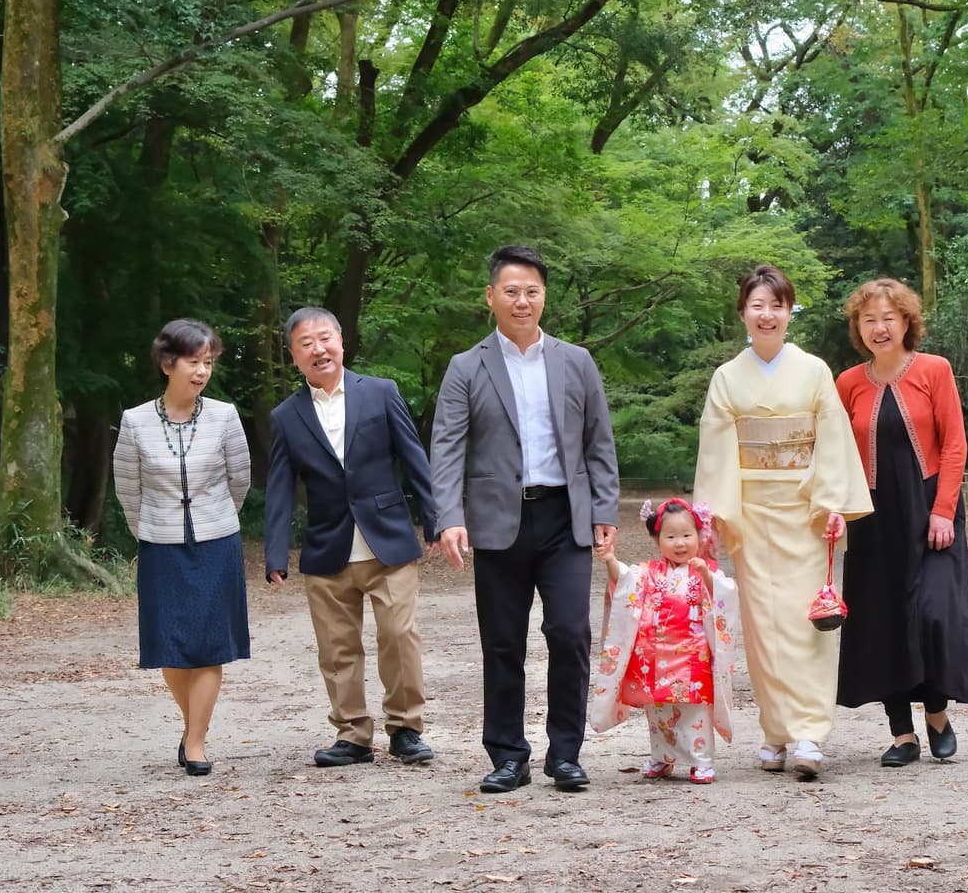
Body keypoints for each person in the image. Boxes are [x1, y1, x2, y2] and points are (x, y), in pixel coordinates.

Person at [429, 245, 620, 794]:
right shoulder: (467, 366)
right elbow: (447, 448)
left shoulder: (575, 360)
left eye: (531, 291)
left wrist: (604, 507)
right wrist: (449, 515)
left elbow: (598, 442)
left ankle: (566, 754)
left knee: (569, 632)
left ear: (544, 297)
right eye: (510, 291)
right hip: (495, 522)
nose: (521, 300)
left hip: (564, 517)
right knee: (503, 642)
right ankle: (508, 755)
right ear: (491, 297)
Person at [693, 264, 871, 780]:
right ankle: (775, 730)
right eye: (757, 305)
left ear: (790, 311)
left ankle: (809, 733)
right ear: (743, 313)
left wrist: (833, 502)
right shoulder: (727, 377)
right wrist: (716, 518)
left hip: (804, 511)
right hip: (750, 514)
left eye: (777, 305)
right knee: (762, 626)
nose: (766, 314)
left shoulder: (814, 371)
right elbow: (717, 452)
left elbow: (833, 441)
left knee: (807, 624)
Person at [264, 307, 439, 769]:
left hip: (388, 540)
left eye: (325, 338)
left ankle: (405, 728)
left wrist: (434, 518)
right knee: (337, 647)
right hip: (327, 545)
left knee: (399, 634)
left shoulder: (380, 393)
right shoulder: (286, 416)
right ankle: (353, 734)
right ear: (294, 356)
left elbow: (413, 455)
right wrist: (275, 551)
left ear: (342, 342)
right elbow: (280, 486)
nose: (318, 349)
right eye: (306, 343)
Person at [833, 279, 968, 767]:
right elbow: (837, 456)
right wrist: (835, 508)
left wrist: (943, 509)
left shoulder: (935, 370)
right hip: (872, 516)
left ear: (906, 322)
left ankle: (937, 711)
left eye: (889, 317)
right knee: (882, 619)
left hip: (929, 509)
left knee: (934, 614)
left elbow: (955, 444)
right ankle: (902, 733)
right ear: (858, 327)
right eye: (869, 319)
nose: (879, 327)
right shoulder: (847, 382)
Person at [113, 318, 251, 777]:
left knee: (212, 645)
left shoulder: (225, 416)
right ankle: (191, 725)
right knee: (169, 646)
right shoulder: (134, 422)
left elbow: (239, 480)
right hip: (160, 542)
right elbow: (128, 489)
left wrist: (215, 520)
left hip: (217, 541)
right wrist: (151, 527)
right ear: (167, 363)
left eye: (207, 362)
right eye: (193, 361)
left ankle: (195, 742)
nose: (201, 371)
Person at [591, 498, 738, 784]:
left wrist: (707, 575)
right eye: (670, 536)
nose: (680, 543)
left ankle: (701, 760)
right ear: (657, 539)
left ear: (700, 535)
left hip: (693, 657)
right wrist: (610, 560)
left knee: (694, 709)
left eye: (687, 535)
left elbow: (724, 594)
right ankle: (662, 757)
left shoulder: (705, 569)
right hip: (655, 657)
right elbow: (624, 582)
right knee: (659, 710)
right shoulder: (648, 572)